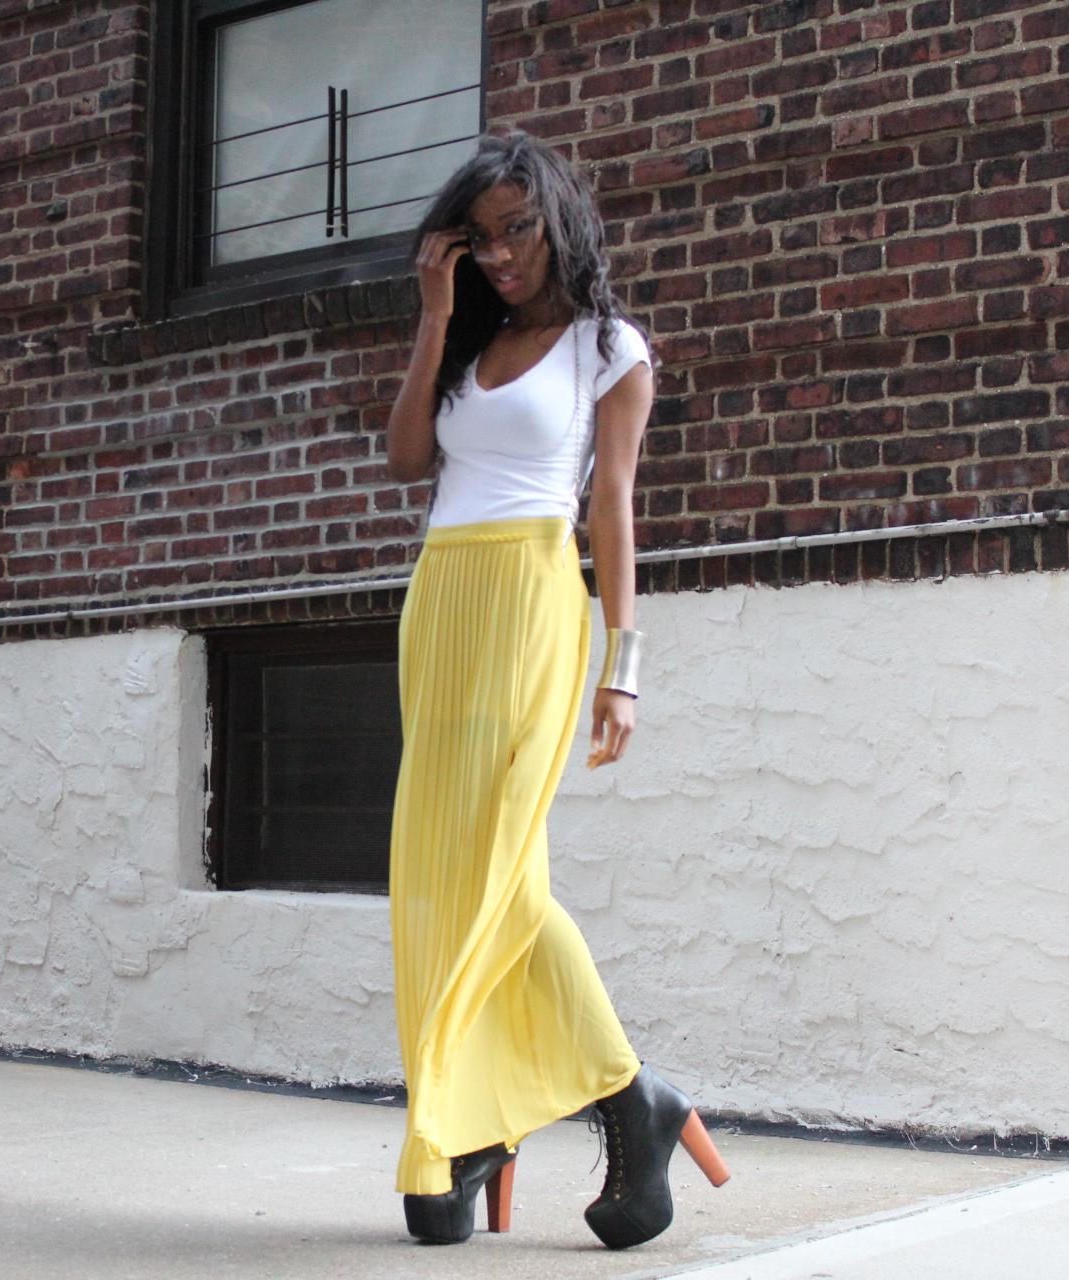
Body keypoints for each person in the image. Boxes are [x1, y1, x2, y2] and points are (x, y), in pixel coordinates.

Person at [383, 133, 729, 1250]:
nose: (499, 254)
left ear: (559, 221)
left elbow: (612, 508)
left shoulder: (607, 348)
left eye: (517, 230)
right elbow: (405, 459)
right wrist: (435, 316)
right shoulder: (468, 338)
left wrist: (622, 669)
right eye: (479, 237)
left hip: (532, 599)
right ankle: (533, 1111)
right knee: (438, 876)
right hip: (442, 603)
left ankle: (588, 1103)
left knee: (495, 871)